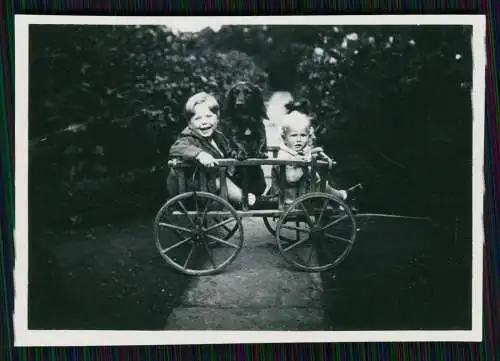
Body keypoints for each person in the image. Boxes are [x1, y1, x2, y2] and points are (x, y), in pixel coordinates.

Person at [166, 92, 256, 206]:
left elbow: (228, 149)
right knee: (221, 180)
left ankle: (253, 197)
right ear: (189, 123)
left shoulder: (218, 137)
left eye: (209, 116)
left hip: (209, 182)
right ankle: (247, 201)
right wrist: (200, 154)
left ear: (217, 118)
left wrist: (237, 153)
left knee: (240, 173)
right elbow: (176, 148)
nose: (204, 122)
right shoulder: (188, 138)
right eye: (197, 118)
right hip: (193, 187)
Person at [272, 110, 361, 205]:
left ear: (308, 136)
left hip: (302, 189)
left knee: (323, 185)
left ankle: (339, 197)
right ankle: (342, 196)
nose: (298, 140)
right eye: (293, 135)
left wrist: (314, 151)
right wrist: (304, 163)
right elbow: (291, 178)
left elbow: (307, 153)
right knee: (322, 186)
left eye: (303, 135)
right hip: (293, 195)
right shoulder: (285, 155)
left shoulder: (294, 150)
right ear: (284, 138)